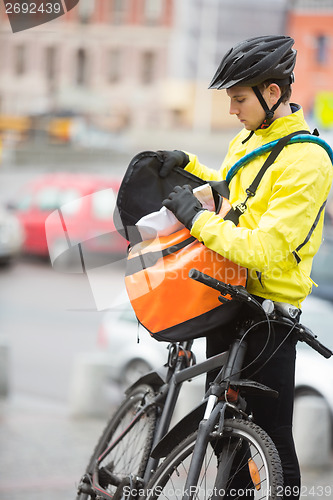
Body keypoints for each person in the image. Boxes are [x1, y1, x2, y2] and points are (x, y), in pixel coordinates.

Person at [157, 35, 333, 499]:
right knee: (225, 440)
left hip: (268, 316)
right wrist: (189, 165)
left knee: (272, 444)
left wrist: (196, 220)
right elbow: (237, 194)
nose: (231, 110)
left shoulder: (308, 160)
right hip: (226, 297)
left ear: (272, 94)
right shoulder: (247, 138)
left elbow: (265, 249)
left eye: (238, 99)